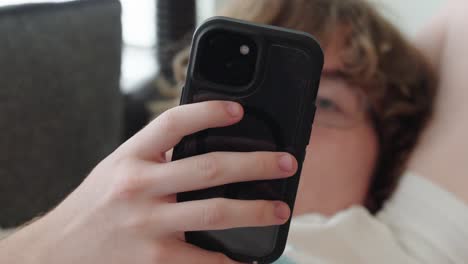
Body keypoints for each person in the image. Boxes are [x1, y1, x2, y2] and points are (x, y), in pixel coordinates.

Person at [0, 0, 467, 263]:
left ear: (390, 161)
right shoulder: (89, 230)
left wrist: (402, 86)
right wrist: (50, 247)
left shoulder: (386, 248)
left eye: (323, 103)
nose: (253, 128)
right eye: (248, 101)